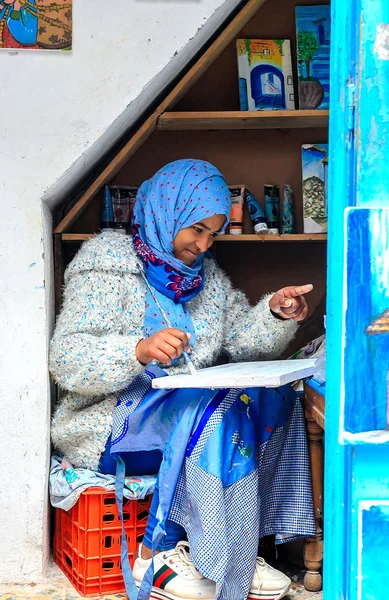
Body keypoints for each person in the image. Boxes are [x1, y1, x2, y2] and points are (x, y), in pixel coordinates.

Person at [50, 159, 315, 600]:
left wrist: (273, 312)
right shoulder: (107, 263)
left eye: (213, 234)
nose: (203, 244)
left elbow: (243, 344)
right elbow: (67, 357)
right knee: (214, 409)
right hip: (108, 418)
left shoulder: (206, 278)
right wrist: (137, 350)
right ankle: (171, 554)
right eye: (196, 229)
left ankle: (237, 550)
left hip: (177, 407)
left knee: (276, 400)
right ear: (166, 211)